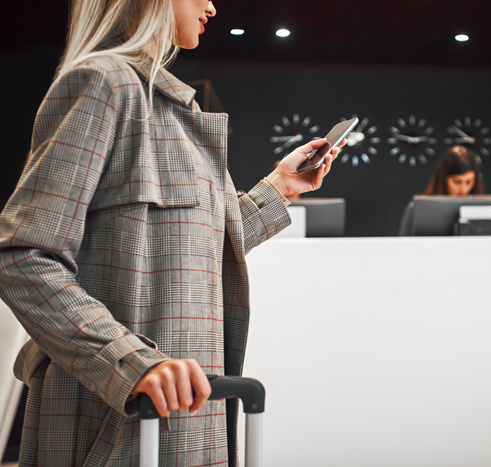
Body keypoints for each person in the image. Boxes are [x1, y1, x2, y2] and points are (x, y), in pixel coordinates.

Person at [0, 1, 342, 465]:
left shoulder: (173, 108)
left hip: (186, 418)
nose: (211, 5)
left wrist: (281, 187)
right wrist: (128, 362)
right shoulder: (103, 83)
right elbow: (22, 255)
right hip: (114, 421)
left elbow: (198, 247)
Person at [398, 145, 484, 235]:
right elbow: (403, 244)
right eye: (457, 181)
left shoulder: (481, 209)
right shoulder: (417, 209)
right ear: (443, 179)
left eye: (469, 182)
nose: (463, 189)